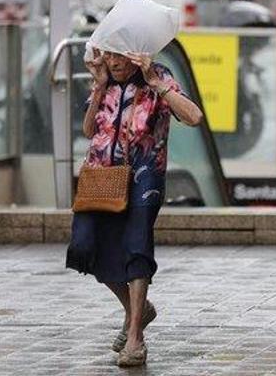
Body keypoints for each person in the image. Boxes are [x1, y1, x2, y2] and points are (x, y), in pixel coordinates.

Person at [67, 49, 203, 367]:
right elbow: (89, 131)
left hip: (145, 174)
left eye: (119, 56)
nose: (112, 61)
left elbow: (194, 117)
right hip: (101, 175)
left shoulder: (158, 75)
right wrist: (99, 86)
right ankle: (137, 311)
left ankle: (134, 338)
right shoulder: (106, 82)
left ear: (135, 53)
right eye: (108, 54)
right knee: (84, 247)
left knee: (137, 246)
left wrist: (159, 86)